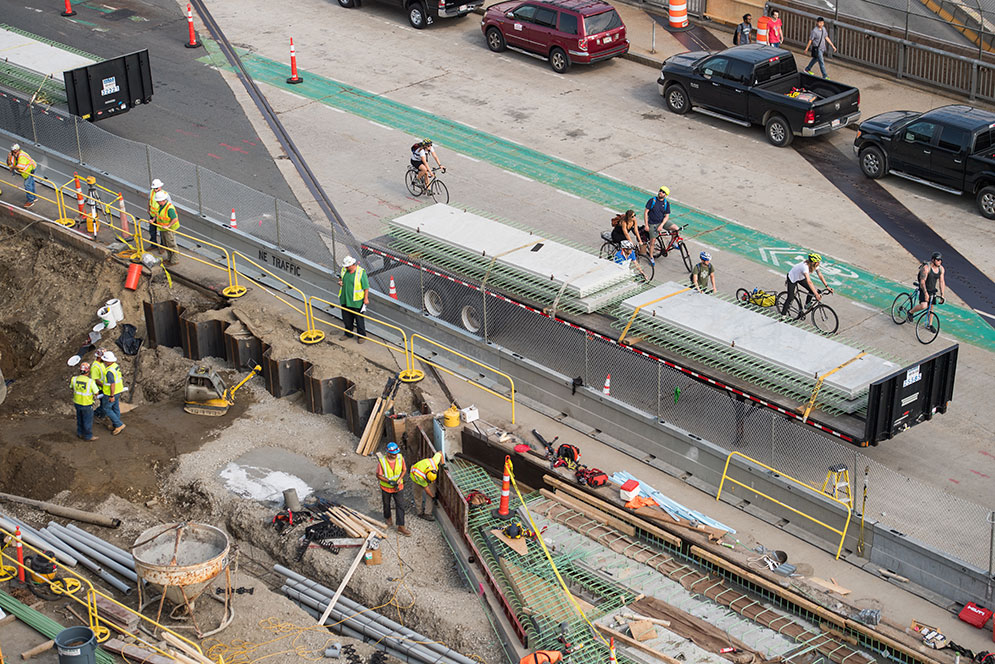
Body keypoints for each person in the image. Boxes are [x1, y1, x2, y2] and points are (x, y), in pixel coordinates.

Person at [376, 442, 411, 536]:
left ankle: (401, 526)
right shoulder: (382, 461)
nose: (395, 455)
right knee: (386, 504)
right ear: (388, 453)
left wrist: (400, 479)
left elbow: (404, 470)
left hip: (398, 487)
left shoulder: (400, 458)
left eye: (396, 453)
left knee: (400, 506)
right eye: (393, 454)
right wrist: (388, 481)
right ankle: (388, 517)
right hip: (386, 487)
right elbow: (378, 475)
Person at [908, 252, 945, 330]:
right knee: (924, 305)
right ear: (933, 260)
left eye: (940, 260)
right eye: (938, 260)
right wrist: (925, 293)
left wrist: (942, 294)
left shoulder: (941, 269)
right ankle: (910, 312)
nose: (939, 261)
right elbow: (922, 282)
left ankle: (929, 325)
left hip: (932, 289)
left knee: (931, 307)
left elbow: (941, 281)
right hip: (923, 287)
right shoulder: (926, 268)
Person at [337, 256, 369, 343]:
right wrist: (340, 281)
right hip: (345, 299)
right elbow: (341, 277)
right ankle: (348, 333)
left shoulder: (360, 272)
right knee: (346, 318)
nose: (346, 268)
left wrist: (366, 298)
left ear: (352, 265)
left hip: (357, 301)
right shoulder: (344, 270)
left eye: (348, 266)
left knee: (359, 320)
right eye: (345, 266)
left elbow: (366, 287)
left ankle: (361, 336)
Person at [71, 362, 101, 442]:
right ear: (88, 371)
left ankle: (80, 433)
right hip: (86, 404)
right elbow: (96, 392)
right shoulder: (90, 382)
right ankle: (88, 436)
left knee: (79, 418)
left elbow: (71, 387)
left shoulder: (74, 379)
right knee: (87, 420)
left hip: (77, 403)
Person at [410, 451, 444, 521]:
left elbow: (440, 453)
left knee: (431, 491)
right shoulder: (420, 476)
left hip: (424, 475)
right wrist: (433, 497)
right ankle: (419, 512)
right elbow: (426, 489)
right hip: (416, 478)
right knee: (418, 495)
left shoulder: (434, 463)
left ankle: (427, 513)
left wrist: (443, 464)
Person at [100, 351, 126, 436]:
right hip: (118, 391)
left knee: (107, 409)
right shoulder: (115, 366)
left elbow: (112, 384)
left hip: (111, 393)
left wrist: (111, 395)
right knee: (115, 408)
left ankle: (119, 425)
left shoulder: (109, 371)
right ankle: (116, 424)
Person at [643, 186, 676, 250]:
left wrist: (661, 225)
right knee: (652, 242)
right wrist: (646, 225)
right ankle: (651, 257)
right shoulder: (652, 200)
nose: (660, 192)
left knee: (676, 229)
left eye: (663, 192)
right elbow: (646, 213)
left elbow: (667, 216)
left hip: (661, 221)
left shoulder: (666, 203)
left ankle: (672, 243)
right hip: (653, 223)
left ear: (665, 195)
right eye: (660, 190)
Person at [153, 191, 180, 266]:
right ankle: (169, 259)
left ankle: (174, 261)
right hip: (163, 229)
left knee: (171, 245)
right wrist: (153, 220)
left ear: (162, 200)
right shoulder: (161, 206)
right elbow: (157, 214)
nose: (157, 202)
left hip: (169, 229)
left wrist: (168, 226)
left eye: (158, 201)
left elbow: (174, 219)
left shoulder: (169, 208)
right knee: (166, 244)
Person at [7, 144, 37, 208]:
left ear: (19, 150)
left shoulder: (22, 156)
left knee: (27, 185)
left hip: (29, 169)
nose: (14, 153)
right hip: (27, 169)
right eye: (13, 152)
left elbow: (19, 168)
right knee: (31, 183)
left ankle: (30, 201)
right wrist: (8, 158)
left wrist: (12, 168)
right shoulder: (12, 155)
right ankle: (34, 197)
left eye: (15, 151)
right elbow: (9, 164)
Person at [147, 178, 169, 245]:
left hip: (160, 217)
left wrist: (154, 219)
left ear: (160, 187)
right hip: (153, 215)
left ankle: (163, 246)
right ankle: (153, 244)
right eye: (154, 188)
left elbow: (166, 207)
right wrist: (148, 209)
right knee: (152, 231)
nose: (155, 190)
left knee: (162, 233)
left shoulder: (165, 195)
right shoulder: (152, 192)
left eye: (156, 188)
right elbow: (149, 200)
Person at [90, 349, 108, 423]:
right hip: (100, 388)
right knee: (104, 405)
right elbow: (96, 380)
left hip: (103, 387)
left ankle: (97, 414)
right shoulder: (95, 366)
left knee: (104, 404)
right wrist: (104, 386)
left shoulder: (101, 364)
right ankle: (98, 416)